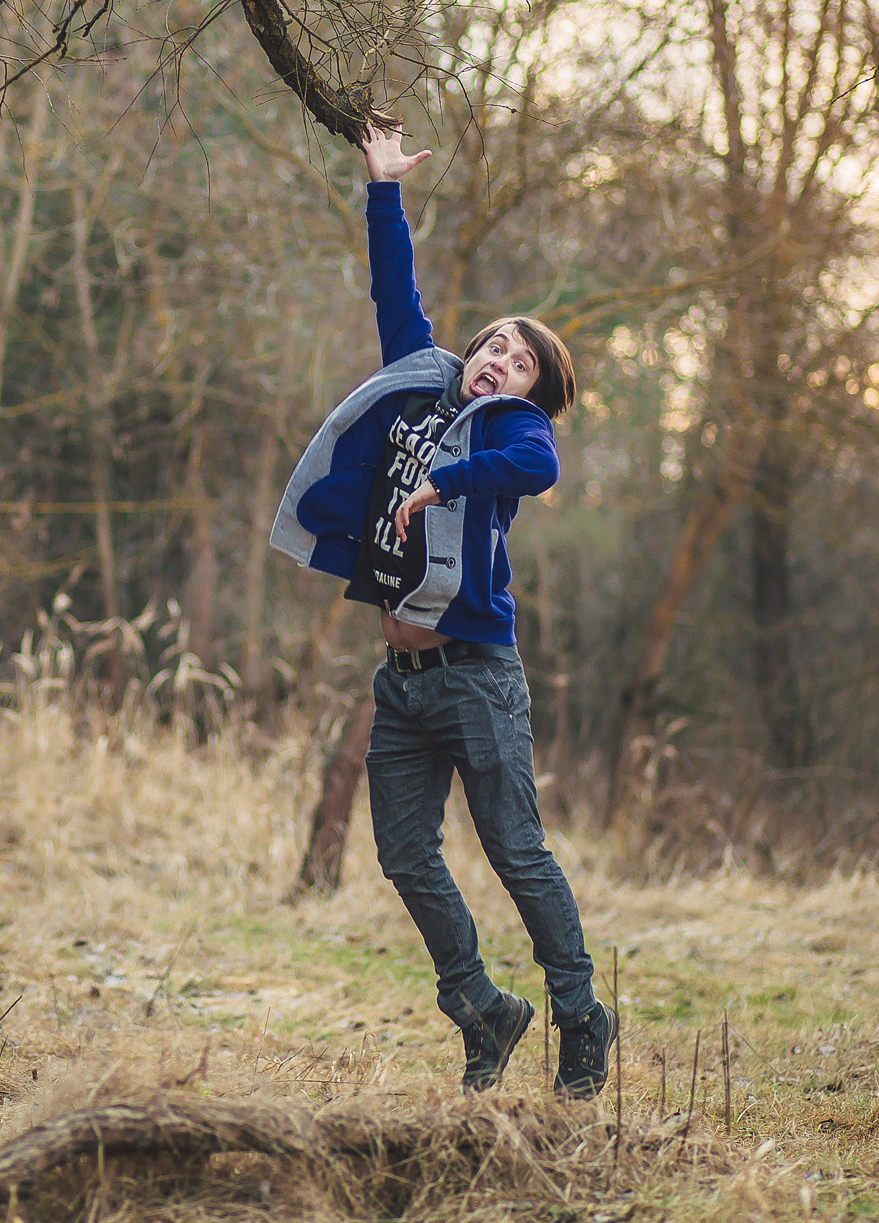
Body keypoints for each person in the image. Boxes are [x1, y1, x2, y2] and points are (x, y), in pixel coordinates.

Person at [270, 127, 615, 1097]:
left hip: (476, 678)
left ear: (533, 390)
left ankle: (580, 1013)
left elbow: (537, 468)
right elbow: (395, 289)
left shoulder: (513, 430)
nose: (499, 357)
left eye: (521, 360)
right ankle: (481, 1008)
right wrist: (382, 189)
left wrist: (446, 482)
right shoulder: (422, 383)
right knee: (404, 854)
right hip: (403, 682)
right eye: (494, 342)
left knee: (515, 851)